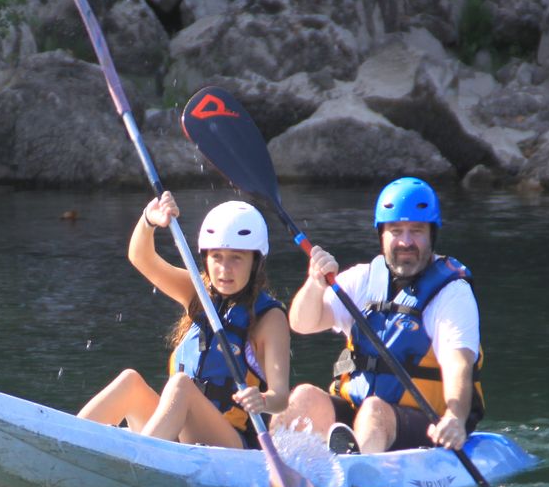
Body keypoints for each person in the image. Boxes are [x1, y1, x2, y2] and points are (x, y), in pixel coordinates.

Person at [281, 177, 484, 454]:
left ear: (432, 235)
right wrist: (315, 284)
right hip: (360, 412)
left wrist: (454, 417)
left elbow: (458, 364)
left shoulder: (451, 293)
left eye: (417, 231)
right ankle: (278, 472)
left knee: (374, 410)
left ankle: (358, 477)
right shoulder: (363, 279)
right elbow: (301, 324)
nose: (406, 241)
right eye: (396, 230)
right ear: (382, 235)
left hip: (428, 422)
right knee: (304, 396)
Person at [78, 191, 291, 449]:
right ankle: (67, 443)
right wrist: (149, 220)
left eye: (237, 258)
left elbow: (280, 397)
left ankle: (139, 459)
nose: (224, 269)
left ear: (255, 262)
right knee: (130, 381)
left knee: (180, 386)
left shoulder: (270, 317)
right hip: (178, 437)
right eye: (217, 257)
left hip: (231, 447)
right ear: (205, 258)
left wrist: (263, 400)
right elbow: (141, 258)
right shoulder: (198, 293)